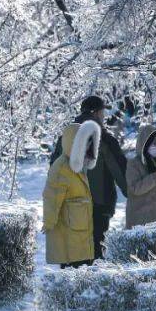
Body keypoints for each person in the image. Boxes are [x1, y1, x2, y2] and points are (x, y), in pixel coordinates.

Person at [50, 96, 129, 261]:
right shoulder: (104, 140)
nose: (104, 116)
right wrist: (130, 190)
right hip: (98, 205)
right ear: (97, 113)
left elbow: (54, 169)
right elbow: (120, 171)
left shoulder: (65, 138)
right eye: (103, 112)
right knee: (94, 254)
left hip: (69, 205)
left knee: (71, 255)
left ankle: (68, 285)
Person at [43, 119, 100, 267]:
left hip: (78, 231)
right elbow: (51, 196)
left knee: (82, 274)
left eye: (89, 142)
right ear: (75, 143)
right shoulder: (62, 167)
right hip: (70, 233)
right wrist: (49, 221)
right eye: (85, 142)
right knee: (74, 272)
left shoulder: (78, 166)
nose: (87, 146)